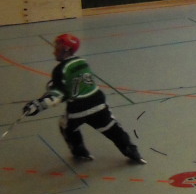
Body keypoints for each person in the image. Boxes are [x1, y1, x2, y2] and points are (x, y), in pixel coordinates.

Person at [22, 34, 146, 164]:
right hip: (98, 103)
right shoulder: (82, 61)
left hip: (78, 109)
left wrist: (37, 105)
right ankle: (132, 152)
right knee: (113, 129)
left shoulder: (60, 69)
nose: (54, 50)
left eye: (58, 46)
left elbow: (58, 96)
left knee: (66, 126)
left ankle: (80, 151)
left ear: (66, 49)